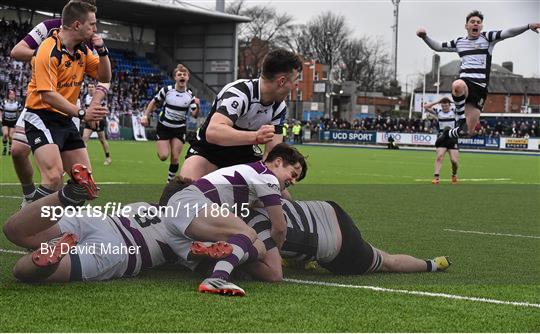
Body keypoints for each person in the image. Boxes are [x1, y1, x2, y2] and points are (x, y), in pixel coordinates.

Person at [1, 163, 212, 283]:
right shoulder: (188, 227)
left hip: (100, 219)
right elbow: (202, 260)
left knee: (13, 230)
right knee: (21, 272)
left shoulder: (146, 205)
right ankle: (51, 258)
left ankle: (67, 196)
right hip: (122, 250)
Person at [162, 143, 307, 296]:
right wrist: (279, 253)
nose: (293, 181)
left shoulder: (253, 173)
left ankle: (218, 253)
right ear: (278, 162)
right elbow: (280, 228)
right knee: (248, 234)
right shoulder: (266, 175)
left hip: (178, 221)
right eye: (293, 173)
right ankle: (217, 278)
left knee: (260, 248)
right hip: (190, 203)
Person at [10, 0, 109, 206]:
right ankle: (29, 205)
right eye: (92, 23)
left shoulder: (86, 44)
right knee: (28, 158)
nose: (95, 28)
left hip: (68, 112)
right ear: (76, 23)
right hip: (42, 111)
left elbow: (104, 77)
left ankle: (57, 224)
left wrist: (103, 52)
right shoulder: (49, 32)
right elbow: (17, 52)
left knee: (84, 186)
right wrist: (41, 60)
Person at [242, 199, 451, 281]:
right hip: (327, 210)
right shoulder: (251, 194)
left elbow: (274, 274)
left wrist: (244, 264)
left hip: (340, 246)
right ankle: (302, 261)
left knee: (387, 262)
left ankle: (431, 265)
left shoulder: (255, 225)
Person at [417, 11, 540, 146]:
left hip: (480, 89)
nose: (476, 24)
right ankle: (461, 119)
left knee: (468, 131)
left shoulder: (487, 38)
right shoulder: (459, 42)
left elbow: (508, 32)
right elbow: (438, 47)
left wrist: (528, 26)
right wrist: (425, 37)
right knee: (457, 85)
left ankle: (448, 133)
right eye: (472, 22)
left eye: (478, 22)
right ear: (466, 26)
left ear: (481, 26)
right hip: (466, 83)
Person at [179, 49, 302, 181]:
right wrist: (255, 137)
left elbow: (272, 155)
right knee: (185, 191)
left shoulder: (279, 106)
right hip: (209, 151)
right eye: (295, 80)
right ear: (281, 81)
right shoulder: (240, 93)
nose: (296, 85)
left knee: (280, 196)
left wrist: (285, 169)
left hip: (245, 156)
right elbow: (213, 132)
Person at [141, 64, 200, 182]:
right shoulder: (167, 90)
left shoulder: (190, 95)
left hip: (179, 129)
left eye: (184, 74)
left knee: (175, 157)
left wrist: (197, 105)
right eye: (179, 74)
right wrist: (145, 116)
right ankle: (162, 146)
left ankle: (169, 182)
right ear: (175, 77)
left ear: (188, 77)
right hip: (164, 127)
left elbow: (194, 115)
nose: (182, 76)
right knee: (163, 156)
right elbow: (154, 102)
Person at [423, 97, 459, 184]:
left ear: (449, 105)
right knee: (439, 157)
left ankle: (454, 174)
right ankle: (436, 177)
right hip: (442, 138)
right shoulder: (438, 112)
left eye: (446, 105)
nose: (444, 107)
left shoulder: (454, 111)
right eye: (443, 106)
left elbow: (463, 106)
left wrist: (452, 101)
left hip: (452, 138)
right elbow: (426, 107)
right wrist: (438, 101)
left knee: (454, 161)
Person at [82, 82, 112, 165]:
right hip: (89, 121)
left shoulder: (99, 97)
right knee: (84, 138)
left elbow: (102, 110)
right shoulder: (85, 97)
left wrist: (97, 121)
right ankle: (83, 159)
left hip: (98, 120)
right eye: (89, 87)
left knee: (102, 140)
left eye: (92, 87)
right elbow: (85, 108)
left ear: (95, 88)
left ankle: (108, 157)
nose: (90, 88)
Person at [1, 89, 22, 156]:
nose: (12, 96)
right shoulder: (4, 102)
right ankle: (4, 148)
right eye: (10, 94)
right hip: (5, 121)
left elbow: (21, 112)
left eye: (13, 94)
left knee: (10, 136)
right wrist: (0, 118)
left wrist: (20, 121)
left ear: (15, 96)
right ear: (8, 95)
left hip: (13, 122)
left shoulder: (17, 104)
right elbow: (0, 111)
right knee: (5, 134)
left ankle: (10, 150)